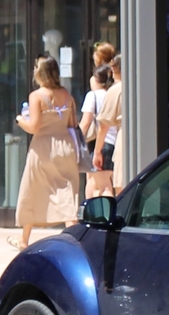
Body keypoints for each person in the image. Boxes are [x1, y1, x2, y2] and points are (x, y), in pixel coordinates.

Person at [12, 54, 81, 247]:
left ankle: (24, 239)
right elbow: (73, 123)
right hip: (65, 146)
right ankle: (74, 235)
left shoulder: (36, 96)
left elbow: (34, 126)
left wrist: (20, 120)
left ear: (40, 73)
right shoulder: (66, 94)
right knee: (66, 190)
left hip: (43, 147)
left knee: (32, 188)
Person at [81, 63, 120, 199]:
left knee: (103, 186)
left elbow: (86, 122)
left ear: (96, 79)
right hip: (115, 143)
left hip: (100, 144)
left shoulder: (93, 96)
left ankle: (104, 217)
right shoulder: (114, 93)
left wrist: (75, 138)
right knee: (99, 183)